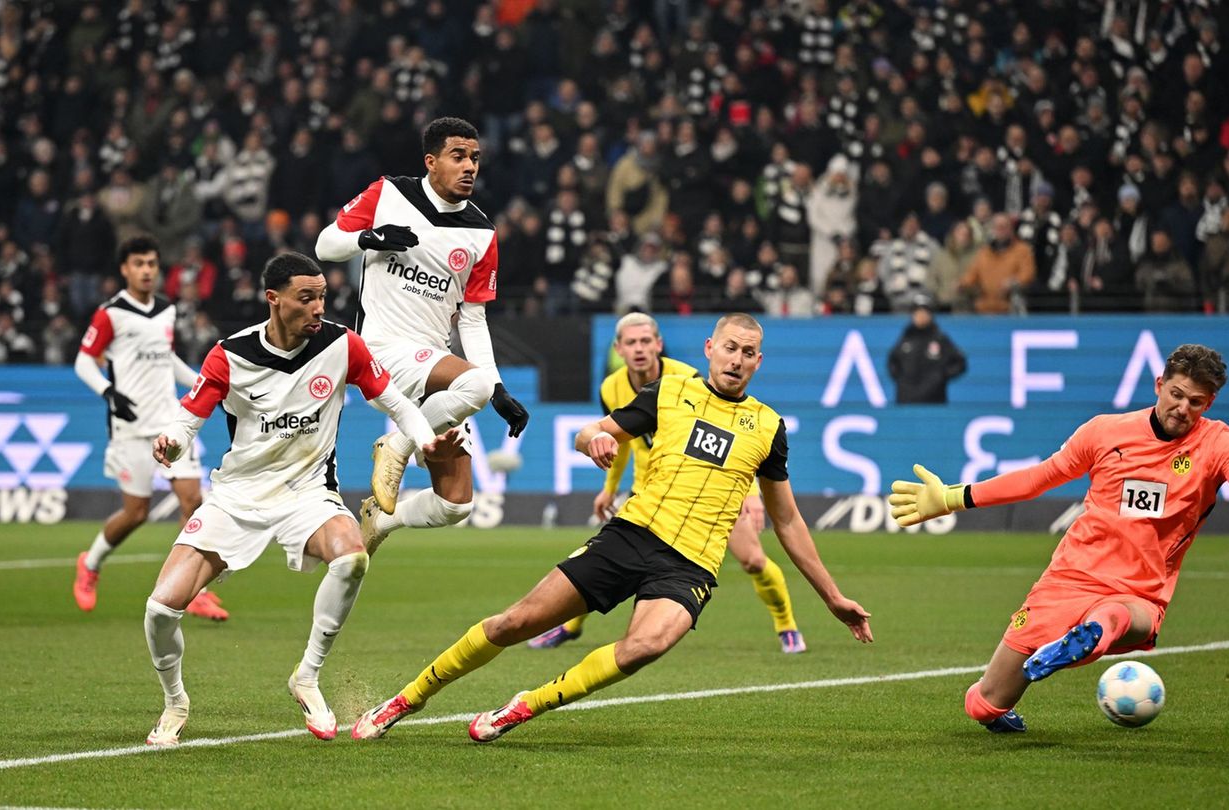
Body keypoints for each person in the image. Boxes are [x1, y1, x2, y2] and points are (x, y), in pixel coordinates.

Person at [351, 314, 873, 744]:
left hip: (690, 565)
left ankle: (524, 706)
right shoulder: (668, 393)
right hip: (631, 536)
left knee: (646, 646)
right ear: (710, 348)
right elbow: (590, 432)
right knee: (514, 623)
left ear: (759, 361)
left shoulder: (767, 427)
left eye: (749, 353)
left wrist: (831, 596)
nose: (737, 360)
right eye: (730, 348)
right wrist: (592, 440)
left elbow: (786, 518)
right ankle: (407, 698)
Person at [888, 344, 1229, 733]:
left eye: (1198, 402)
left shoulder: (1217, 444)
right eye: (1177, 394)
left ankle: (1093, 633)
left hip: (1139, 595)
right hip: (1069, 579)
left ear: (1209, 405)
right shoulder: (1105, 432)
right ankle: (1054, 659)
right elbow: (1037, 479)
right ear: (1158, 384)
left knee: (1118, 615)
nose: (1183, 409)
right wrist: (952, 496)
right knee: (983, 703)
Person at [143, 252, 453, 746]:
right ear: (274, 299)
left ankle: (307, 675)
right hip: (237, 496)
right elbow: (188, 417)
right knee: (160, 610)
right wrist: (172, 442)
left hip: (307, 493)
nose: (317, 308)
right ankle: (175, 702)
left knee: (352, 558)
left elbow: (395, 401)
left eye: (322, 297)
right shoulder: (230, 354)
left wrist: (424, 437)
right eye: (305, 298)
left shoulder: (342, 345)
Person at [528, 313, 808, 654]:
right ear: (619, 349)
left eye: (646, 341)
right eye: (631, 343)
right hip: (650, 490)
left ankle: (787, 624)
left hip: (710, 491)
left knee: (752, 559)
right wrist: (609, 487)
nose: (639, 349)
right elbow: (620, 438)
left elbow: (734, 437)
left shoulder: (684, 380)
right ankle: (569, 627)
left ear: (658, 345)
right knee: (604, 560)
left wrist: (751, 494)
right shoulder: (610, 387)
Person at [314, 116, 531, 554]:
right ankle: (396, 444)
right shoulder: (389, 194)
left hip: (431, 369)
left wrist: (499, 389)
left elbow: (472, 318)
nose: (469, 166)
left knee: (455, 505)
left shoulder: (481, 232)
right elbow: (324, 246)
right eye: (458, 156)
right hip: (379, 352)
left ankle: (384, 518)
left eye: (475, 157)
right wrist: (369, 239)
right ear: (431, 162)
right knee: (474, 383)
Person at [72, 236, 225, 621]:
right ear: (125, 269)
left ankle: (195, 590)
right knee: (136, 513)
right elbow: (83, 362)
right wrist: (108, 391)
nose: (146, 270)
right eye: (139, 263)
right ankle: (90, 563)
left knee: (193, 500)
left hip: (171, 423)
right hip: (131, 428)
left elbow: (166, 359)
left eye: (152, 263)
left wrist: (204, 383)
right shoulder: (111, 314)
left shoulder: (165, 311)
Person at [887, 299, 967, 404]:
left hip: (933, 400)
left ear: (930, 316)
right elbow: (893, 361)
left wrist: (941, 376)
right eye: (917, 313)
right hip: (906, 399)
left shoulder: (940, 339)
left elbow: (959, 362)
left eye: (924, 313)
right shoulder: (906, 338)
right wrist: (902, 380)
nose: (921, 316)